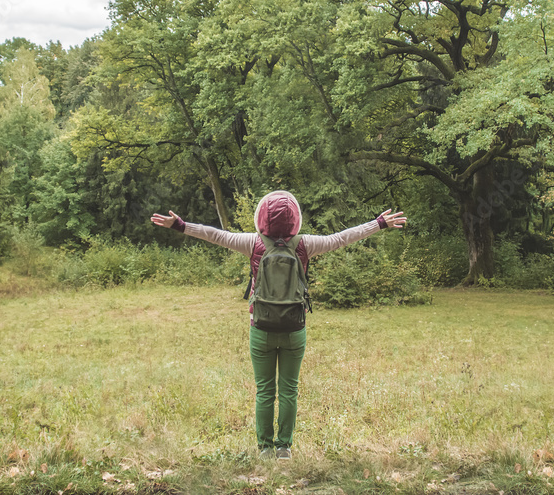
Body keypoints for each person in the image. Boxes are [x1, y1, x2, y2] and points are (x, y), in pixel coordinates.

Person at [151, 190, 407, 460]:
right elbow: (342, 238)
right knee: (288, 389)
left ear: (262, 217)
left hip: (260, 327)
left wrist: (180, 225)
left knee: (264, 390)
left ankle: (265, 448)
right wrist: (377, 223)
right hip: (294, 329)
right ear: (295, 218)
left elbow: (214, 234)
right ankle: (284, 448)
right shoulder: (305, 245)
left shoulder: (251, 243)